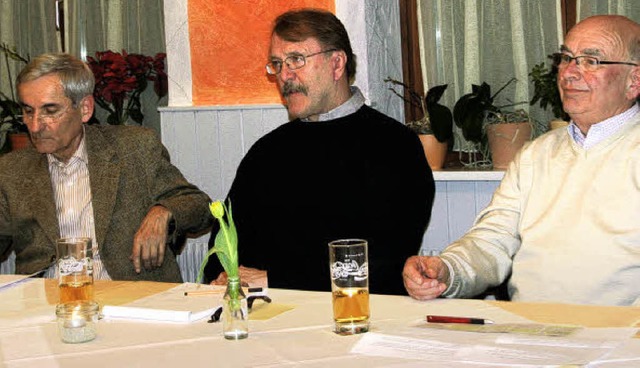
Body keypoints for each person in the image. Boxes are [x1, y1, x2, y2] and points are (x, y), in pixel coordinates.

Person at [403, 15, 640, 306]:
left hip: (621, 338)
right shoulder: (534, 155)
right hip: (528, 331)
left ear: (634, 81)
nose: (568, 73)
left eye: (590, 61)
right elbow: (492, 241)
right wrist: (447, 270)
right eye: (566, 58)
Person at [204, 9, 435, 295]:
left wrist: (274, 278)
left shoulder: (395, 146)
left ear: (336, 64)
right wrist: (226, 278)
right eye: (277, 63)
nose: (284, 76)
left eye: (296, 60)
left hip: (359, 314)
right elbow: (221, 247)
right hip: (265, 316)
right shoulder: (266, 153)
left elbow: (383, 262)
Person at [0, 53, 212, 282]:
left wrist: (163, 211)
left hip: (132, 296)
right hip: (47, 301)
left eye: (50, 111)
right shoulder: (13, 170)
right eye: (29, 111)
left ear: (85, 109)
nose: (35, 125)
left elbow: (200, 206)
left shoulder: (134, 149)